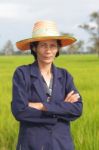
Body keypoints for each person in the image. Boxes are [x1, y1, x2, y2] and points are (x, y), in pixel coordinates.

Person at [11, 20, 83, 150]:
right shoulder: (22, 73)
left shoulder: (65, 76)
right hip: (32, 143)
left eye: (52, 45)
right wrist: (61, 109)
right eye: (43, 45)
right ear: (34, 47)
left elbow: (77, 109)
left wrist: (41, 106)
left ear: (57, 49)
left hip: (62, 144)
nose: (48, 50)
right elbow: (20, 111)